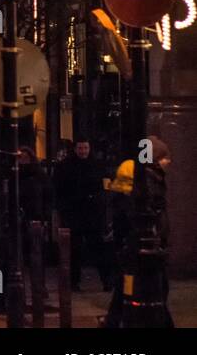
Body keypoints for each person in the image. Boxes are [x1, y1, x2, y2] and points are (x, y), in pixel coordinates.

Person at [102, 137, 173, 328]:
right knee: (151, 287)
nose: (169, 161)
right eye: (165, 157)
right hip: (142, 243)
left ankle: (113, 320)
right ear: (156, 158)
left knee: (127, 286)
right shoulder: (148, 179)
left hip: (137, 243)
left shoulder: (149, 176)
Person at [53, 137, 110, 291]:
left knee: (97, 247)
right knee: (75, 250)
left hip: (90, 212)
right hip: (75, 212)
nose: (83, 151)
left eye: (85, 148)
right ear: (75, 149)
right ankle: (75, 282)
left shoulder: (95, 165)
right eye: (80, 148)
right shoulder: (66, 167)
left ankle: (106, 280)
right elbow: (58, 190)